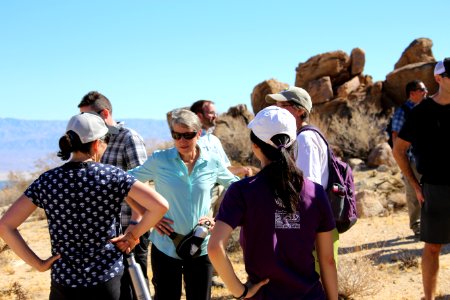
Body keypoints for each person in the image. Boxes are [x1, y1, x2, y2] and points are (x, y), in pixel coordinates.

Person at [0, 113, 169, 300]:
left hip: (64, 284)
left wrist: (39, 264)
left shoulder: (47, 181)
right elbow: (160, 205)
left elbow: (5, 225)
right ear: (97, 144)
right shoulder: (113, 176)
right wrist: (132, 236)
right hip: (108, 280)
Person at [208, 106, 338, 299]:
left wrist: (240, 291)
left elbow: (214, 248)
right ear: (293, 144)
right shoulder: (315, 192)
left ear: (255, 146)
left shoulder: (242, 191)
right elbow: (327, 259)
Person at [127, 109, 239, 300]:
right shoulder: (159, 160)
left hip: (201, 245)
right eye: (176, 135)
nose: (181, 141)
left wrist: (218, 219)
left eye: (187, 135)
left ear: (199, 134)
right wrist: (148, 215)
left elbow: (237, 189)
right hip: (165, 246)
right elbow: (122, 183)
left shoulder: (212, 162)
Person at [77, 91, 149, 300]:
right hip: (103, 234)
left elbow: (143, 183)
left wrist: (134, 227)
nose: (85, 123)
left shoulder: (129, 138)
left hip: (131, 231)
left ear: (105, 113)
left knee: (136, 289)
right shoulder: (89, 142)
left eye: (88, 117)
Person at [393, 58, 450, 300]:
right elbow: (398, 149)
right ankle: (429, 297)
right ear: (439, 78)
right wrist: (415, 186)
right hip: (435, 188)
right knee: (433, 246)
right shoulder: (422, 112)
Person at [265, 86, 339, 269]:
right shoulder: (297, 138)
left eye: (282, 105)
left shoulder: (305, 140)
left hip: (311, 228)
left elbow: (308, 190)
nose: (276, 109)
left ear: (300, 110)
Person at [391, 80, 428, 236]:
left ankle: (431, 223)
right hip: (412, 158)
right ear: (412, 93)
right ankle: (416, 225)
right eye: (422, 89)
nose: (426, 92)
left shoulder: (427, 108)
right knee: (414, 192)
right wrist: (402, 159)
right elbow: (395, 137)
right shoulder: (403, 112)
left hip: (428, 157)